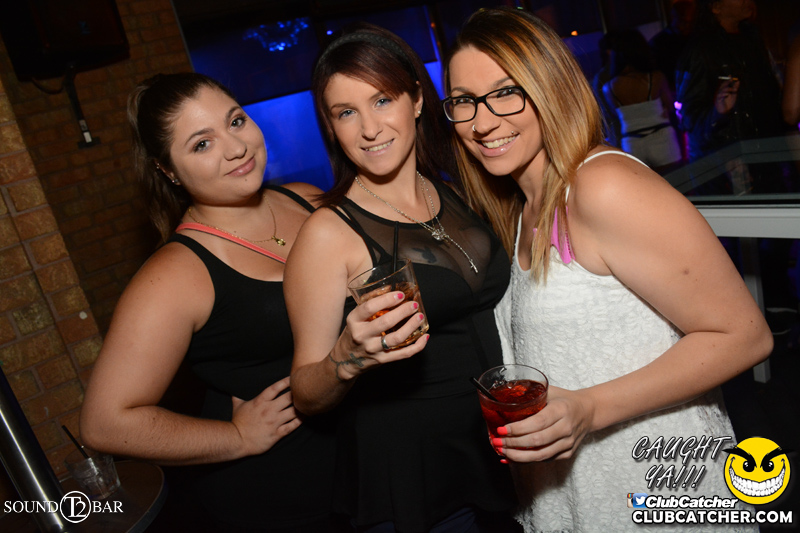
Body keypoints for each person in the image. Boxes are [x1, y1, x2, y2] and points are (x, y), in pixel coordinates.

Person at [444, 7, 772, 532]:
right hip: (578, 498)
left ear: (550, 88)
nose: (482, 122)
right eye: (464, 100)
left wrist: (591, 408)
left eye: (506, 92)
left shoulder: (603, 186)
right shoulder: (520, 210)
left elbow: (744, 335)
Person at [80, 72, 358, 532]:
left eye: (236, 121)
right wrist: (235, 436)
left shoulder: (308, 200)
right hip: (286, 503)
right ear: (167, 170)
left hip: (374, 471)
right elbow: (105, 423)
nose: (236, 148)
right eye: (202, 144)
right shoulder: (176, 275)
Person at [285, 23, 519, 533]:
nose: (369, 128)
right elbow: (304, 391)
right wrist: (348, 357)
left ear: (416, 99)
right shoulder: (328, 233)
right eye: (346, 113)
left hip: (501, 449)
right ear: (331, 127)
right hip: (416, 476)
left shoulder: (458, 190)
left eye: (382, 100)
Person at [676, 0, 783, 161]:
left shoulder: (752, 38)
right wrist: (717, 113)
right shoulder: (701, 50)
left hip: (766, 148)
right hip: (731, 156)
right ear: (716, 7)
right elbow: (690, 117)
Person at [602, 29, 683, 172]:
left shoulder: (609, 87)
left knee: (642, 184)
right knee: (676, 181)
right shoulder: (656, 77)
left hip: (632, 142)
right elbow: (670, 106)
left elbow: (615, 114)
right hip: (661, 136)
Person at [649, 0, 696, 92]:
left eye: (691, 22)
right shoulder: (658, 43)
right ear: (673, 17)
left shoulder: (696, 38)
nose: (687, 26)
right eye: (683, 21)